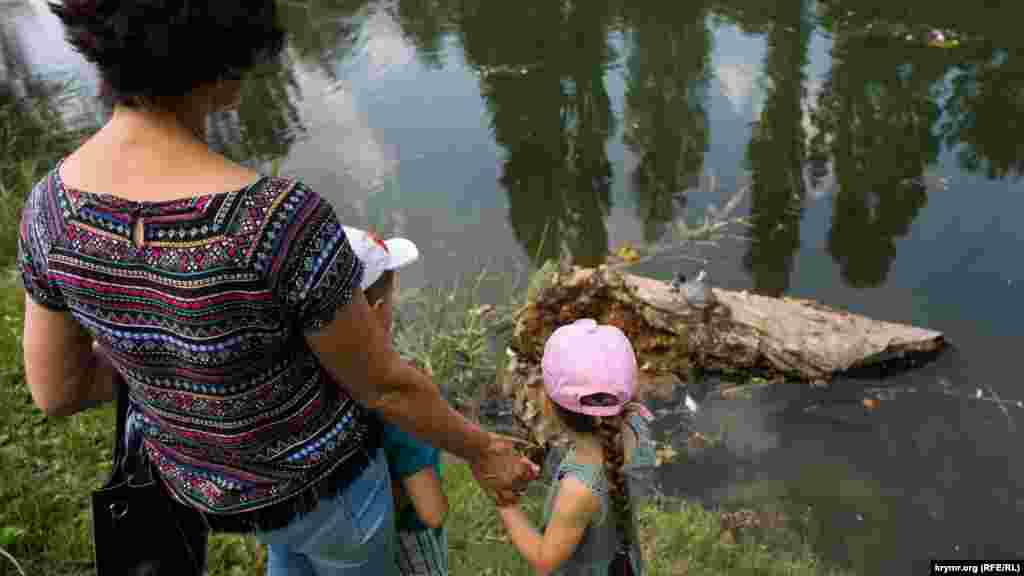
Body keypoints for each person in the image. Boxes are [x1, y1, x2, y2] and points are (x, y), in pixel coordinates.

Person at [18, 2, 537, 575]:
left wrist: (171, 355)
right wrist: (486, 451)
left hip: (202, 489)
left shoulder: (50, 210)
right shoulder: (276, 221)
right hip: (327, 488)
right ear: (226, 58)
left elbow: (57, 392)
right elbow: (385, 388)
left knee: (285, 554)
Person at [496, 319, 656, 576]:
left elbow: (545, 561)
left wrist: (506, 506)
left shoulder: (580, 489)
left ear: (548, 405)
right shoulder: (637, 423)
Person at [344, 225, 450, 575]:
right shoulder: (398, 400)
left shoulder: (317, 383)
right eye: (392, 300)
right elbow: (431, 510)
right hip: (406, 541)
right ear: (375, 312)